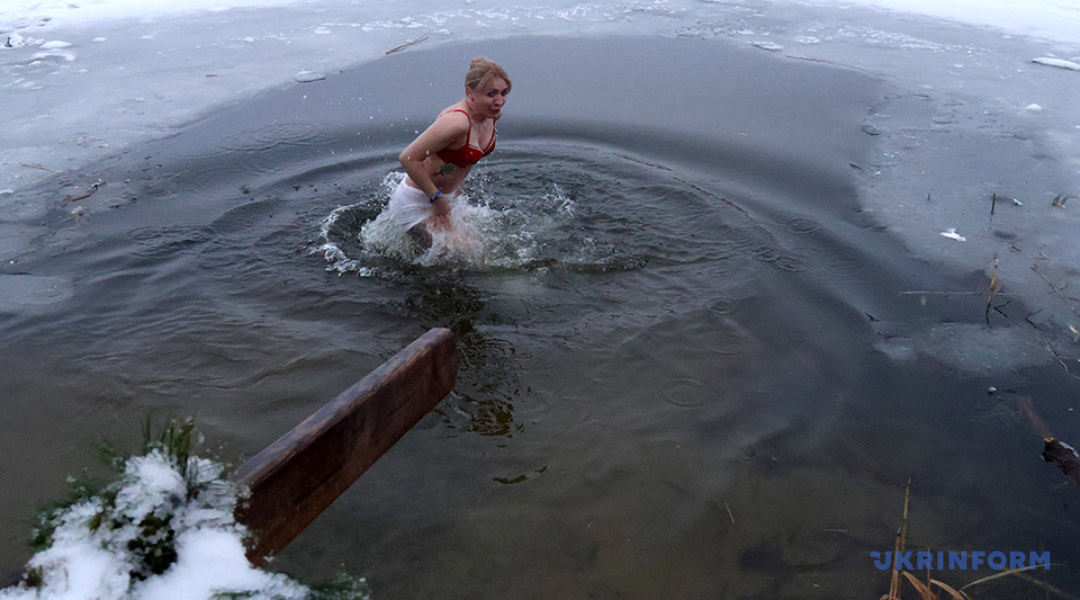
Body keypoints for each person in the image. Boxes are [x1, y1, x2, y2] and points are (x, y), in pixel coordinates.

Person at [390, 56, 511, 248]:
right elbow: (408, 158)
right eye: (491, 94)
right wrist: (436, 198)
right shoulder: (456, 123)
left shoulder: (490, 115)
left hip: (446, 198)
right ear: (470, 92)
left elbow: (461, 162)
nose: (500, 101)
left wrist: (453, 194)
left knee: (480, 250)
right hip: (417, 199)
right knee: (462, 257)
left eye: (504, 93)